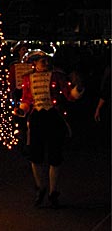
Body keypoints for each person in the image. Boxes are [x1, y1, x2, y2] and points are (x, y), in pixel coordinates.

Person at [14, 49, 84, 208]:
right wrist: (21, 110)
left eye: (47, 60)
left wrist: (77, 89)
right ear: (35, 63)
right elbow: (26, 100)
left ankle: (53, 192)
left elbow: (69, 96)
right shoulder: (27, 79)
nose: (46, 62)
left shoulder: (57, 76)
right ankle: (40, 188)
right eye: (42, 60)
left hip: (54, 117)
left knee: (55, 155)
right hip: (37, 118)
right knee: (35, 155)